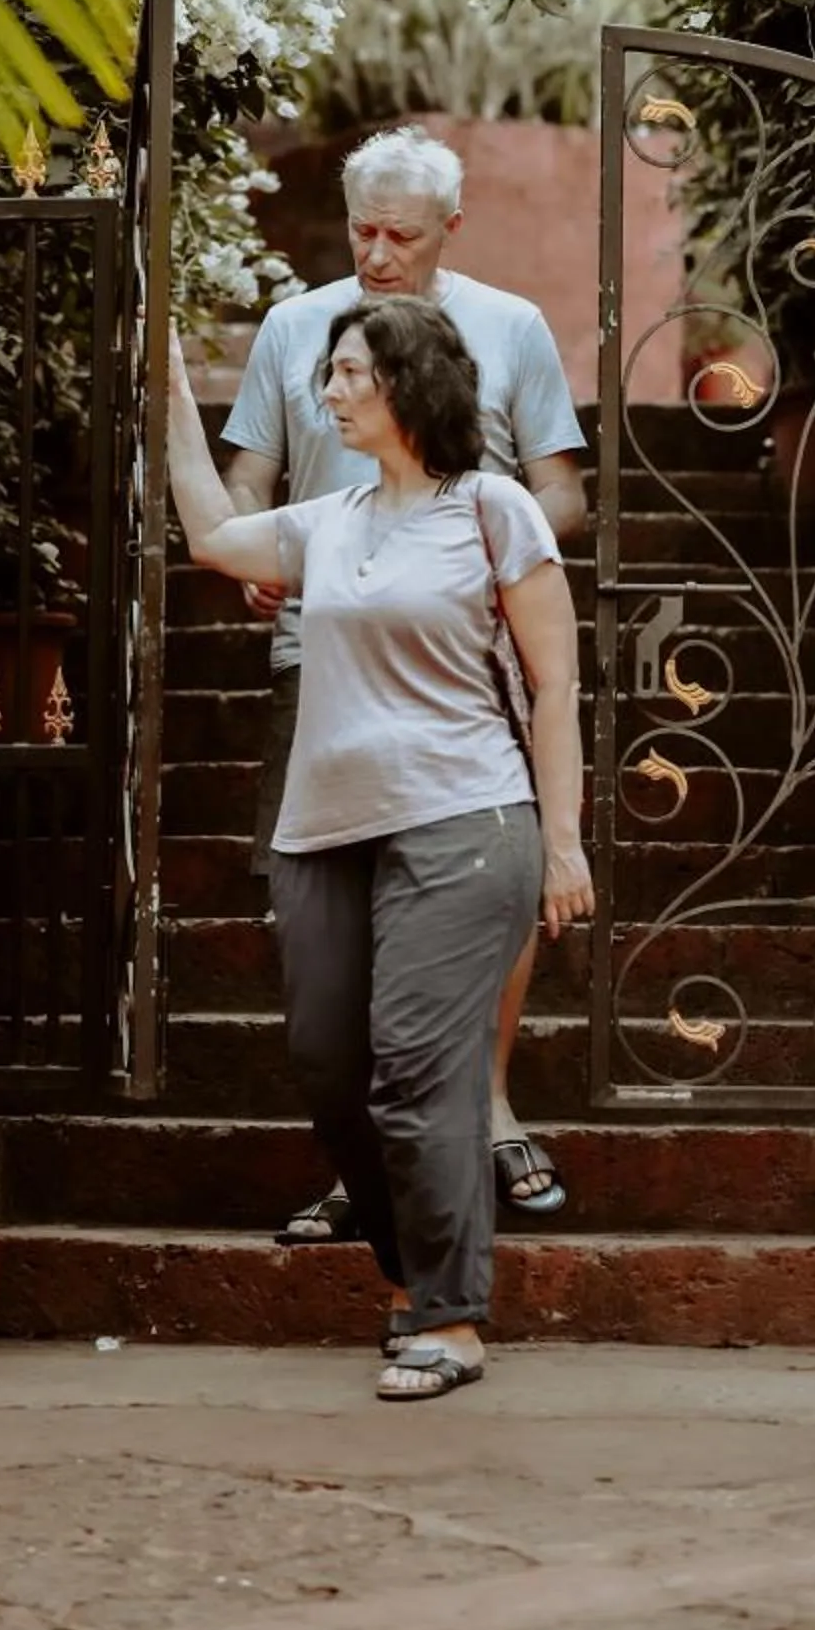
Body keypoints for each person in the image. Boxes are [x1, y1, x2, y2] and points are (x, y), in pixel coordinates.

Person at [165, 295, 595, 1400]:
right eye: (332, 372)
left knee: (417, 1064)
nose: (332, 390)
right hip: (323, 829)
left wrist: (562, 844)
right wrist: (161, 381)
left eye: (352, 372)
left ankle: (449, 1319)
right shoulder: (328, 521)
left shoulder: (494, 509)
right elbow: (211, 535)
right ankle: (410, 1272)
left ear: (410, 383)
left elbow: (554, 688)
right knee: (328, 1064)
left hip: (466, 819)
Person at [219, 124, 588, 1236]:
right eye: (361, 231)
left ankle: (488, 1104)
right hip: (322, 651)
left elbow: (562, 494)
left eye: (402, 235)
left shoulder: (509, 326)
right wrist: (257, 549)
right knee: (341, 908)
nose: (377, 255)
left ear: (450, 229)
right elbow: (248, 477)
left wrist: (477, 547)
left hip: (463, 657)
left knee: (480, 883)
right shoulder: (296, 327)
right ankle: (372, 1160)